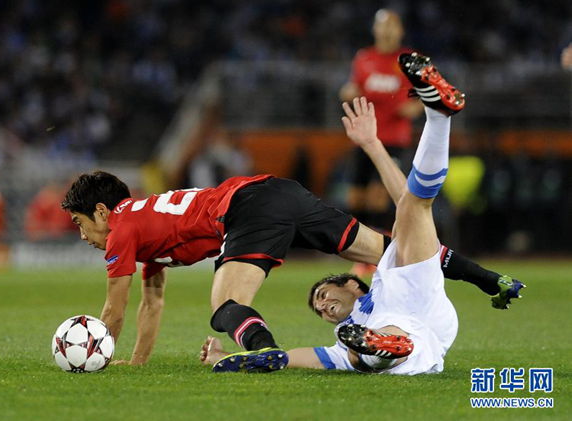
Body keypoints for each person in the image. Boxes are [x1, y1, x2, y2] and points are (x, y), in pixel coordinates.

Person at [62, 58, 517, 369]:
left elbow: (114, 309)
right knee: (399, 249)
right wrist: (137, 362)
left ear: (102, 210)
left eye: (81, 223)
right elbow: (152, 301)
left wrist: (97, 352)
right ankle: (487, 278)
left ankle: (265, 352)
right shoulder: (142, 223)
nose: (83, 235)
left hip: (245, 209)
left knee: (224, 305)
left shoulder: (122, 227)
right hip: (279, 192)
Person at [204, 54, 524, 374]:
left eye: (323, 294)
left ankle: (439, 114)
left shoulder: (383, 280)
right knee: (360, 349)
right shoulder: (344, 337)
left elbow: (404, 200)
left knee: (412, 207)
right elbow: (288, 358)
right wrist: (235, 358)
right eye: (319, 309)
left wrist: (372, 144)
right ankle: (385, 349)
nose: (322, 306)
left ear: (354, 286)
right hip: (416, 333)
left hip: (411, 296)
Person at [340, 9, 424, 241]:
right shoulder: (364, 58)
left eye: (392, 26)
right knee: (356, 194)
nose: (387, 31)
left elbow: (426, 95)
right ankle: (357, 246)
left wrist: (415, 107)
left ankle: (380, 245)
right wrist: (347, 92)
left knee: (380, 194)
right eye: (383, 26)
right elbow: (352, 87)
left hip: (394, 138)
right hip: (364, 137)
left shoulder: (409, 60)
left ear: (400, 31)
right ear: (375, 30)